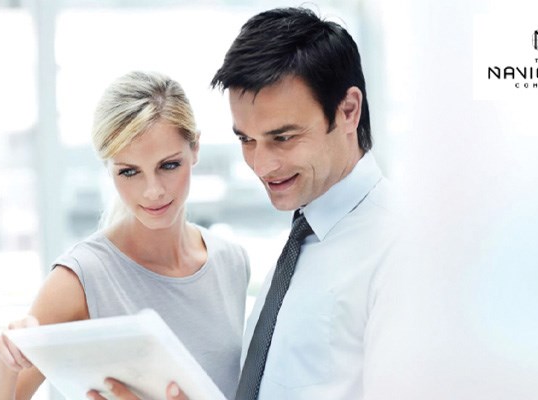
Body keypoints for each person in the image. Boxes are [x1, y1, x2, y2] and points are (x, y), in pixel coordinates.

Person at [94, 7, 396, 400]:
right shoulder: (302, 243)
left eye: (282, 138)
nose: (261, 165)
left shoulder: (401, 249)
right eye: (246, 140)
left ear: (348, 111)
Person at [0, 71, 252, 400]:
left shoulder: (231, 261)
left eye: (168, 165)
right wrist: (7, 363)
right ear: (109, 169)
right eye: (129, 172)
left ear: (195, 149)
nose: (153, 191)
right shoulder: (81, 278)